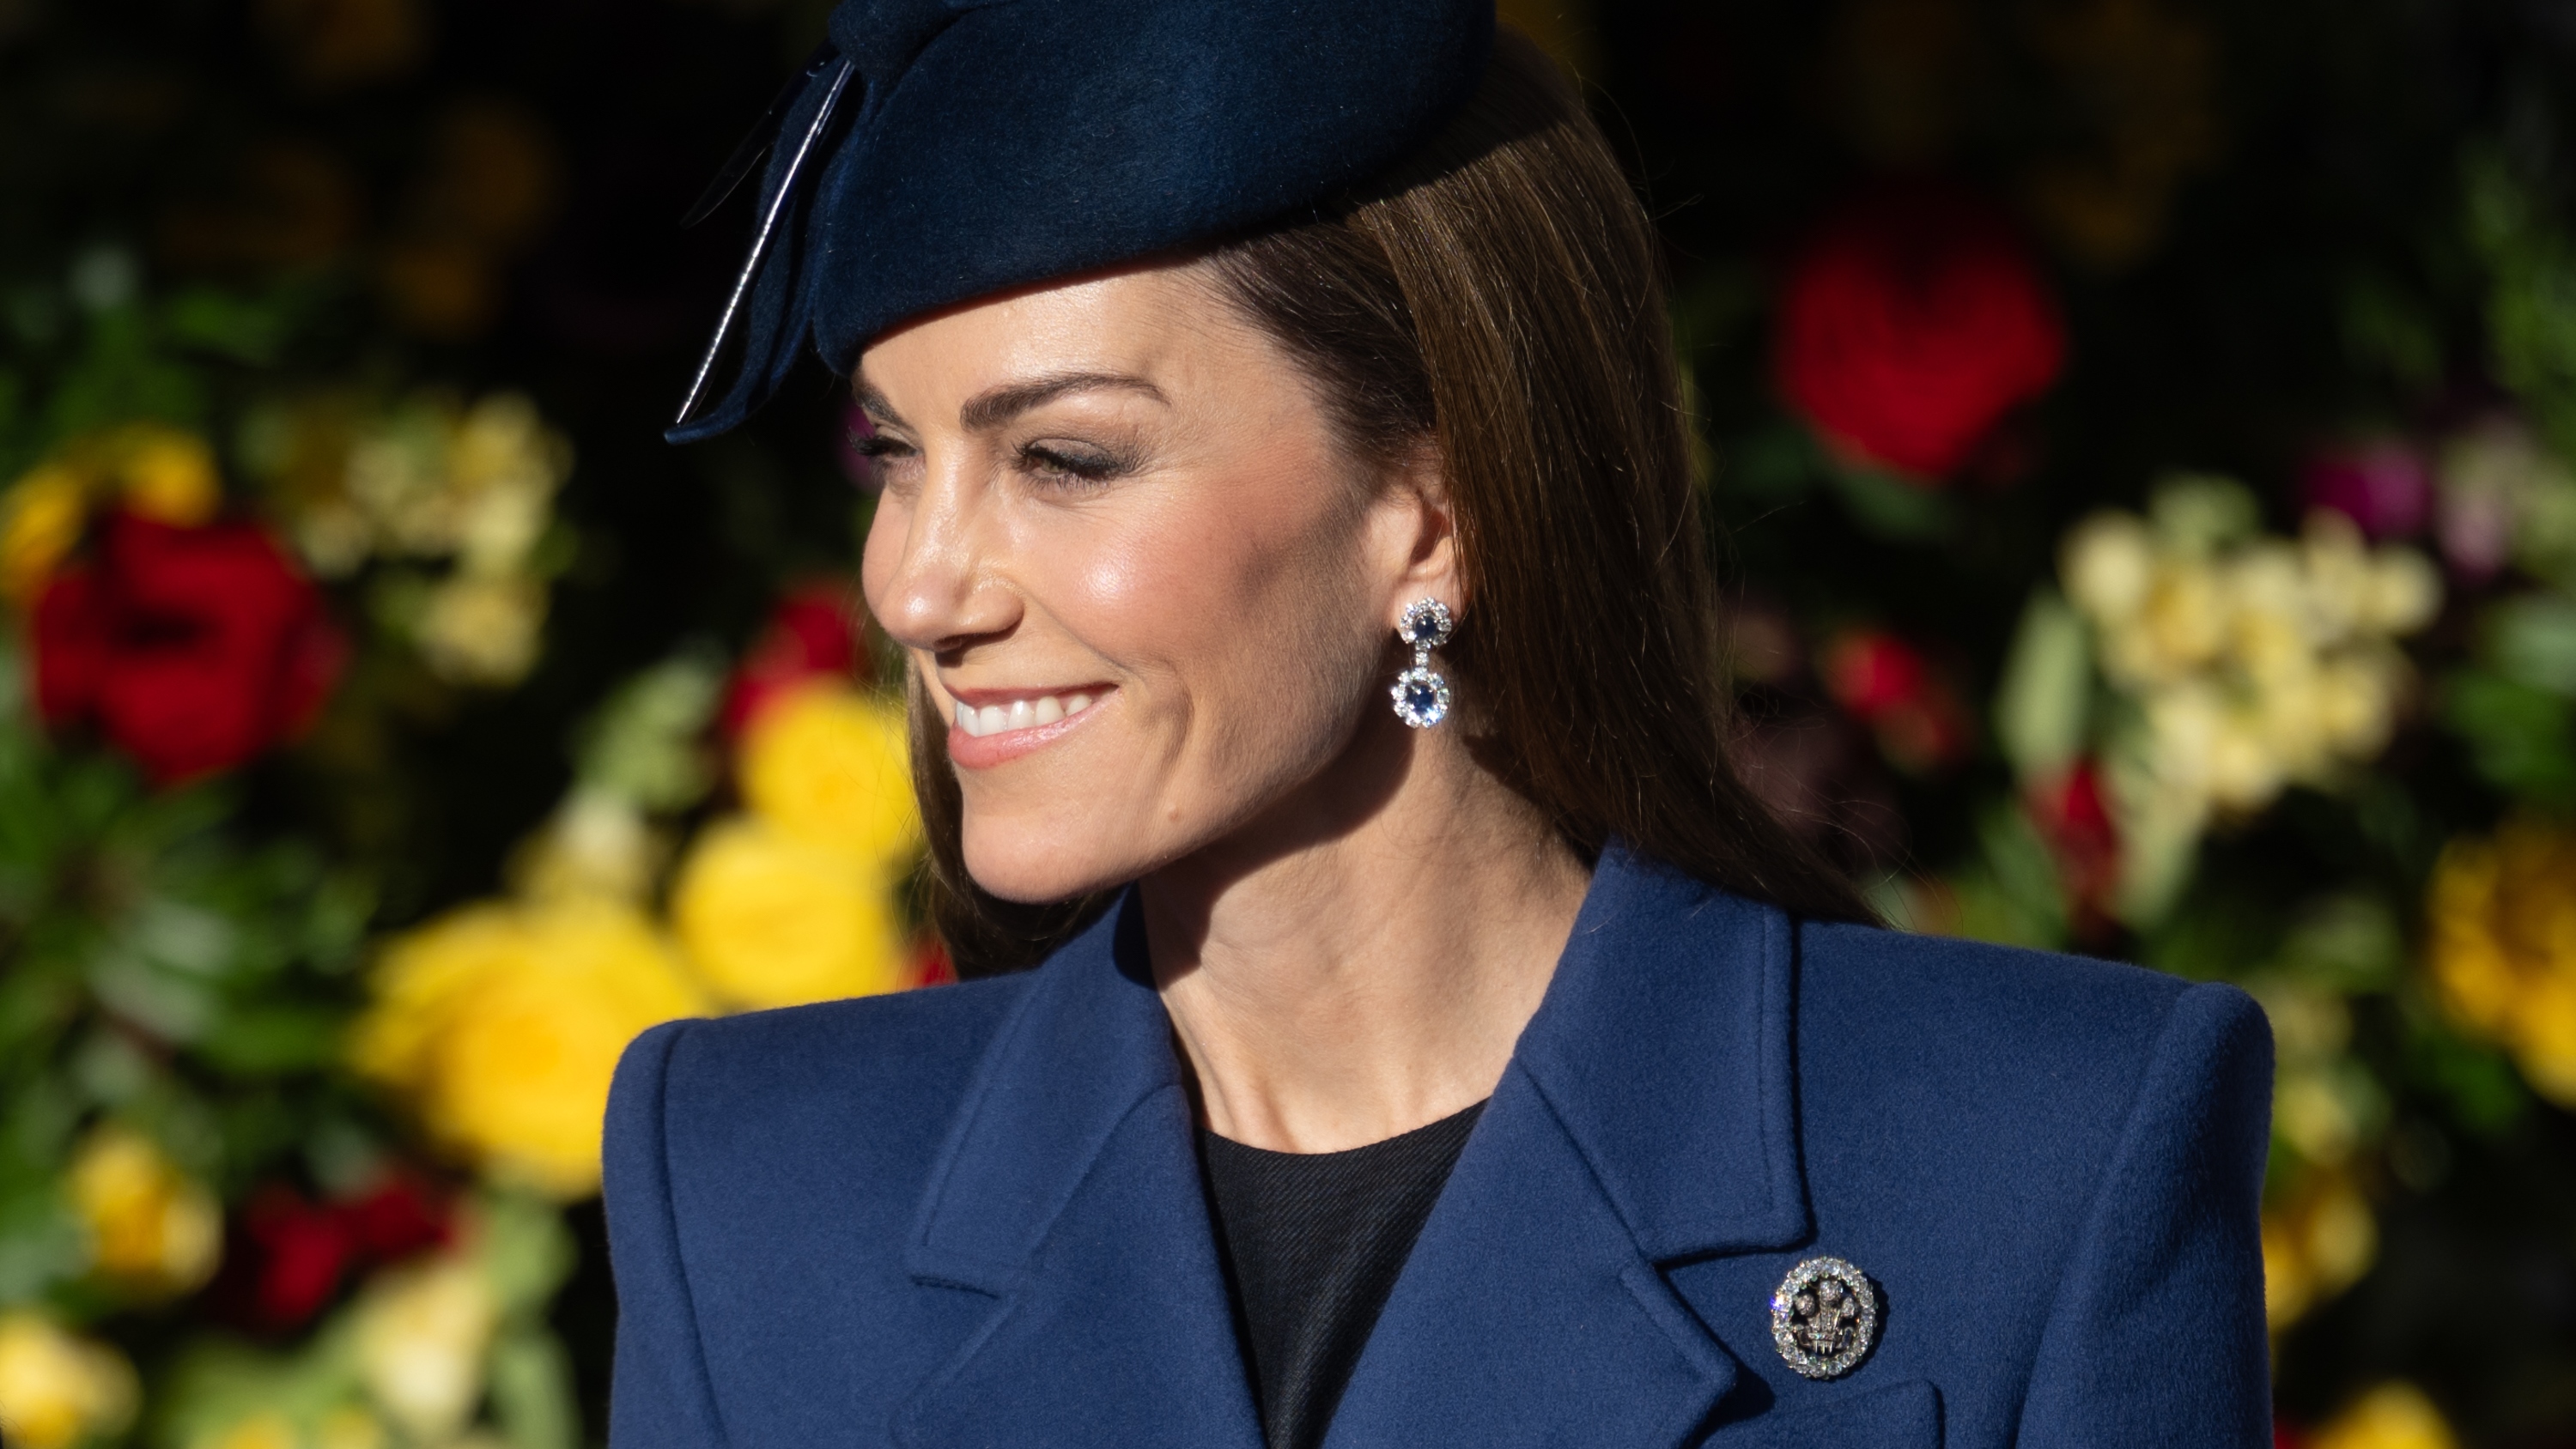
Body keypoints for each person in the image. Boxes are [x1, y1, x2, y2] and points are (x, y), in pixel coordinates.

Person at [604, 2, 2275, 1445]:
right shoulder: (755, 1191)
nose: (916, 585)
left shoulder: (2040, 1156)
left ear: (1434, 505)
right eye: (898, 455)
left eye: (1064, 459)